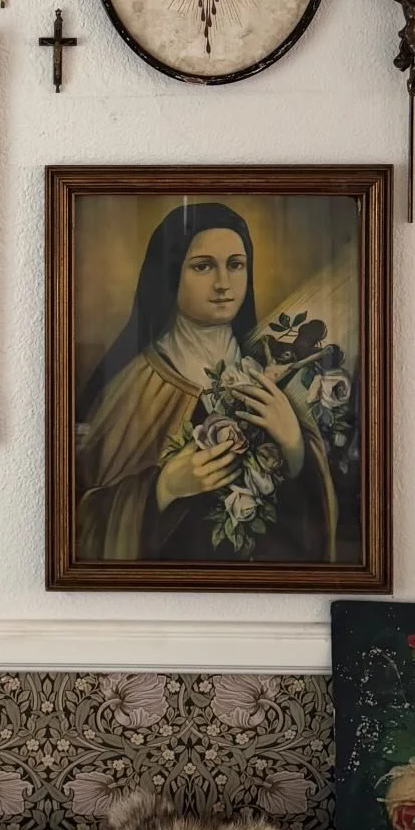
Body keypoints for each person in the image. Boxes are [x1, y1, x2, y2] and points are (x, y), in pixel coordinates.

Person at [75, 200, 337, 564]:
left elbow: (314, 530)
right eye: (203, 266)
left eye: (236, 265)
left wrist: (295, 447)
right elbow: (82, 524)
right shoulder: (133, 386)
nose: (223, 284)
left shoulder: (273, 370)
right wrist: (163, 488)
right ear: (170, 274)